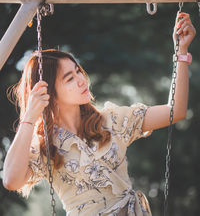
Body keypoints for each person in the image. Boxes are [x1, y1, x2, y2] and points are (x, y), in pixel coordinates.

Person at [3, 12, 196, 216]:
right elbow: (11, 180)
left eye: (78, 71)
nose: (81, 80)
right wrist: (31, 117)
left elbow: (175, 111)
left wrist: (181, 52)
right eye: (69, 78)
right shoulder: (45, 146)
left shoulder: (113, 120)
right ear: (49, 93)